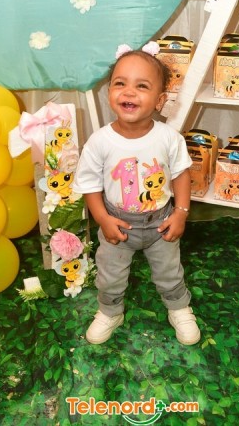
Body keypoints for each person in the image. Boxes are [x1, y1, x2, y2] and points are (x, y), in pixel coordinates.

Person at [73, 42, 200, 345]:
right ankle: (110, 311)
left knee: (169, 271)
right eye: (120, 83)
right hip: (117, 224)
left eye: (141, 86)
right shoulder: (99, 142)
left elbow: (181, 174)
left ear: (160, 100)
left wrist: (181, 213)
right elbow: (90, 185)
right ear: (109, 92)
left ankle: (178, 308)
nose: (129, 92)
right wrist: (103, 219)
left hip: (161, 223)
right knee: (110, 275)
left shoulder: (169, 138)